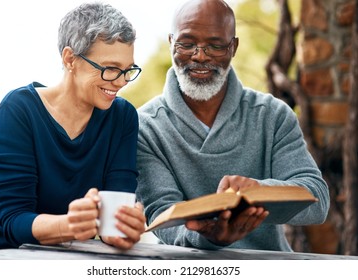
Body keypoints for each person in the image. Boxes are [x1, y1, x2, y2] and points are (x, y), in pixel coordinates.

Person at [136, 0, 330, 251]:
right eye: (187, 43)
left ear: (234, 47)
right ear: (171, 42)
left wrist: (260, 192)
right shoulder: (145, 127)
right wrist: (207, 236)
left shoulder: (272, 115)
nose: (200, 56)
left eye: (215, 45)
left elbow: (318, 201)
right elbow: (160, 215)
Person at [0, 2, 146, 254]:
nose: (120, 82)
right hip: (0, 255)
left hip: (67, 259)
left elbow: (112, 224)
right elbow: (13, 221)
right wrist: (69, 225)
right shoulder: (19, 109)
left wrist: (122, 228)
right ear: (70, 58)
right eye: (110, 69)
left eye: (128, 70)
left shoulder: (123, 117)